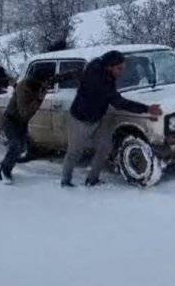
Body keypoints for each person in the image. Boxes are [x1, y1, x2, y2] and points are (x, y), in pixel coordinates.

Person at [61, 50, 163, 187]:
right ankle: (65, 181)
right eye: (119, 68)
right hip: (80, 119)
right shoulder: (99, 81)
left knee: (105, 147)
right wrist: (147, 109)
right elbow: (119, 103)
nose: (122, 72)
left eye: (123, 68)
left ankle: (92, 180)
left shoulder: (100, 68)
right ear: (109, 66)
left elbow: (81, 73)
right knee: (75, 152)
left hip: (97, 118)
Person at [0, 68, 54, 184]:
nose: (46, 84)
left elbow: (56, 78)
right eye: (44, 81)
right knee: (15, 146)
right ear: (38, 81)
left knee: (20, 148)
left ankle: (2, 171)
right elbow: (25, 113)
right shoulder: (24, 88)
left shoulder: (37, 85)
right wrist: (38, 99)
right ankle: (5, 172)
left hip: (21, 122)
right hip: (11, 121)